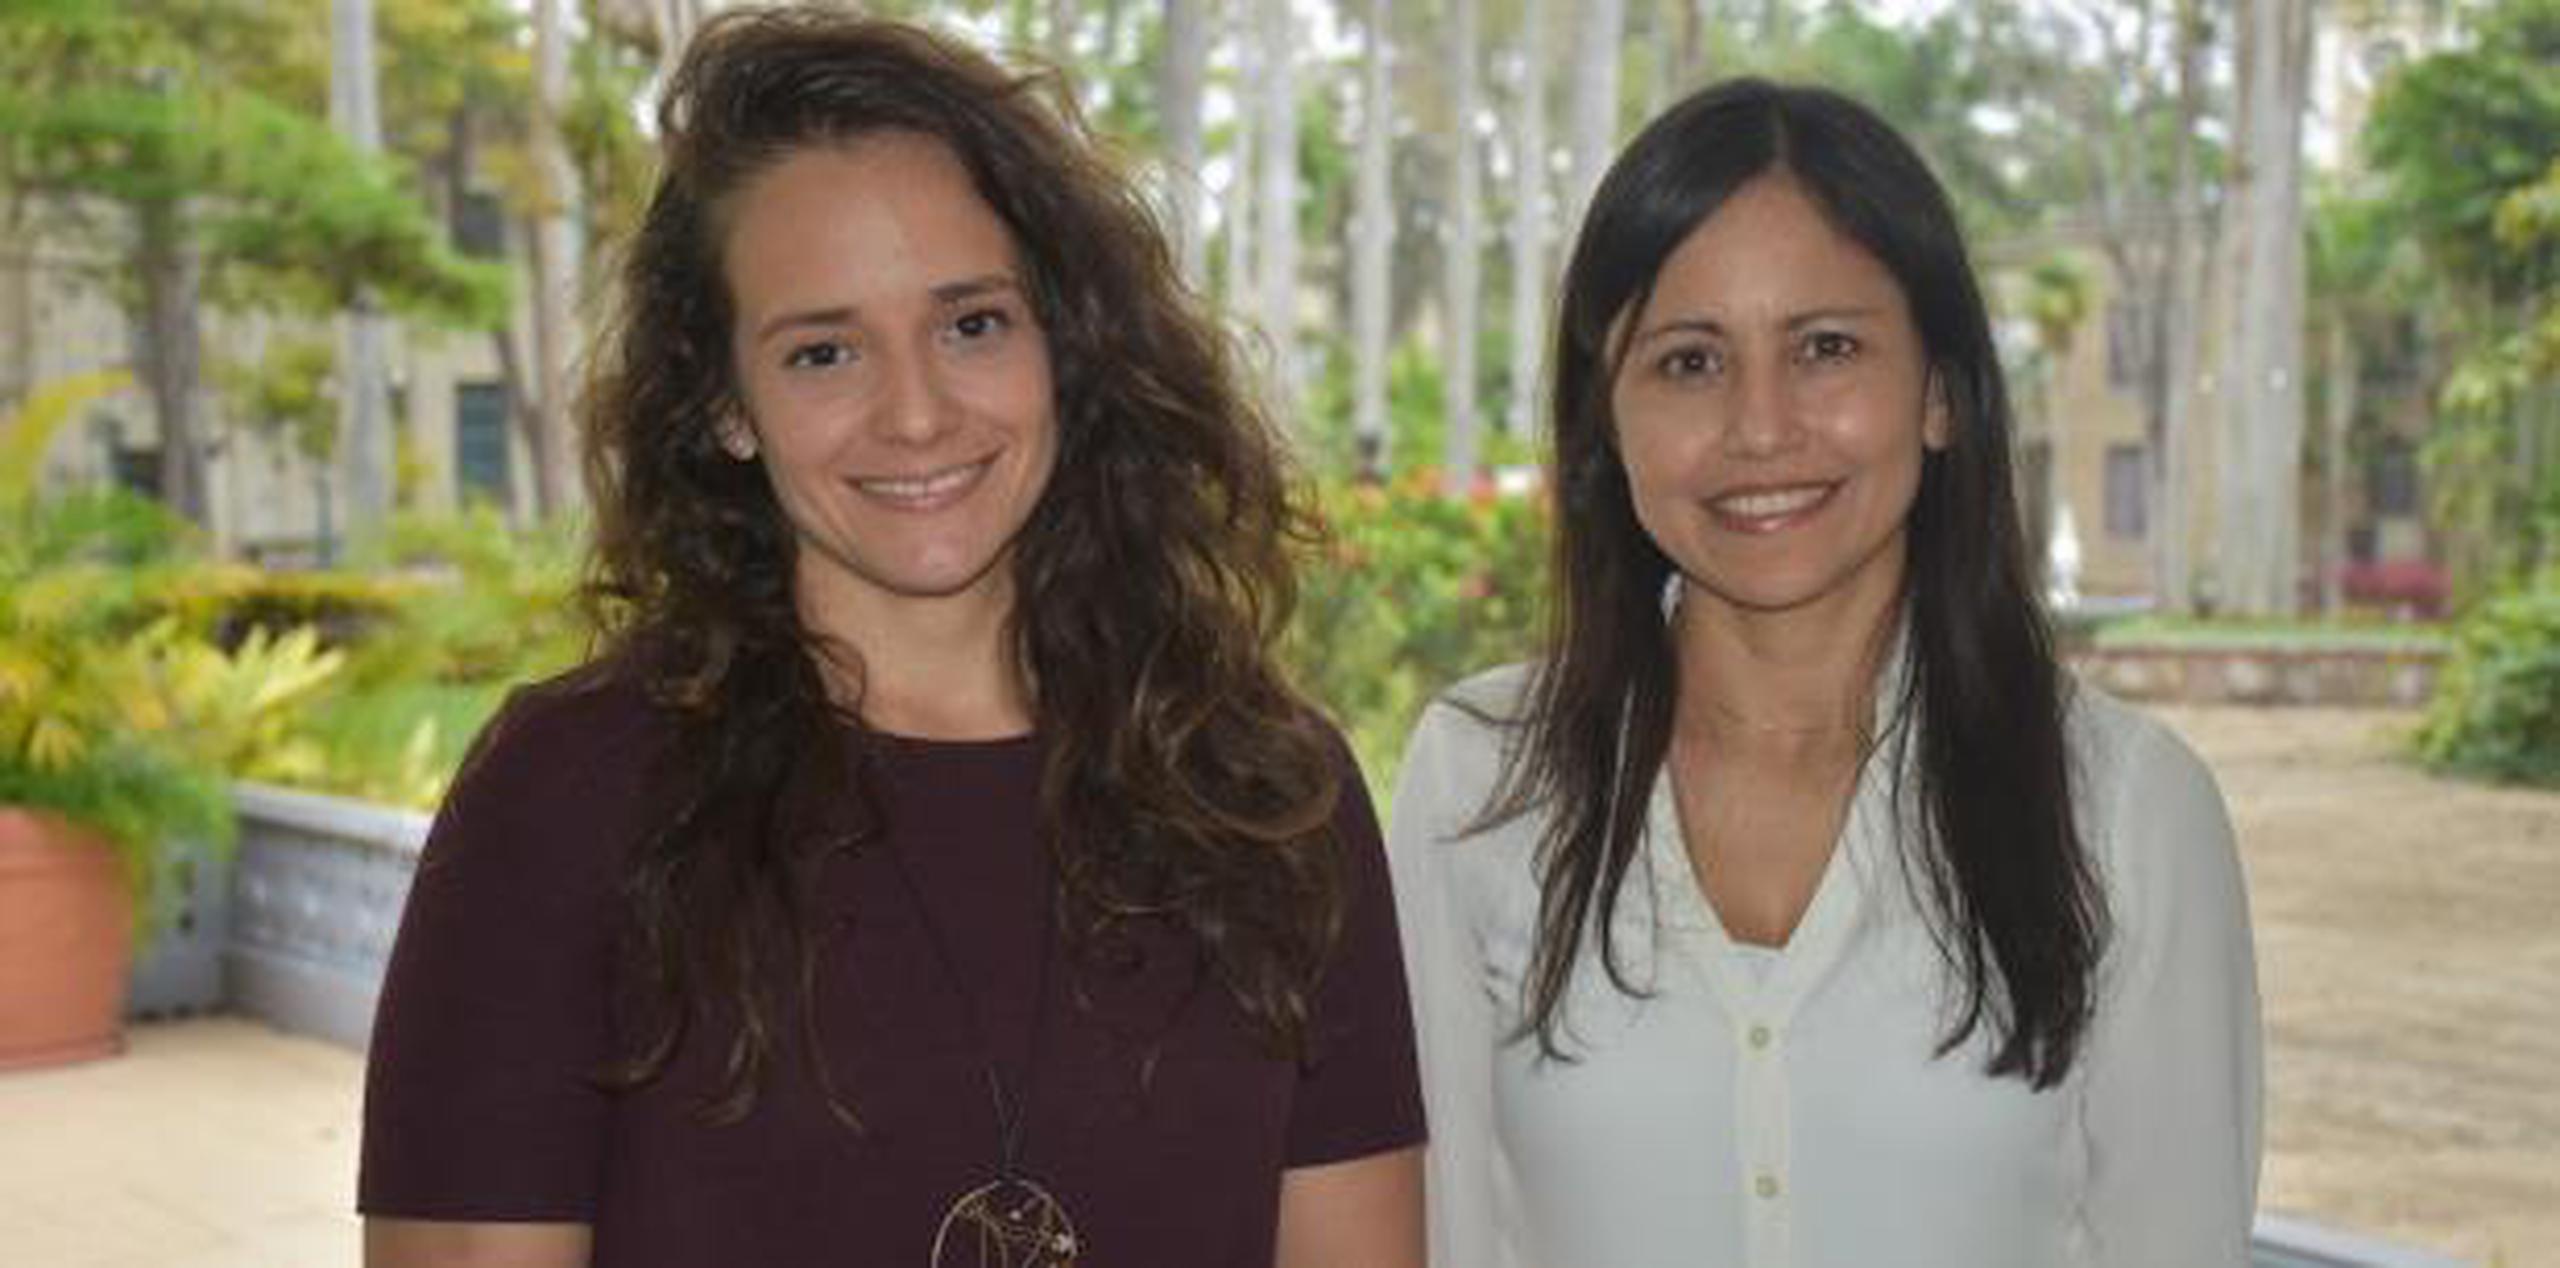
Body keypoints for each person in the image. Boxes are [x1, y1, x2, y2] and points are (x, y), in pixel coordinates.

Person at [358, 10, 1424, 1267]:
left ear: (1064, 345)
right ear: (724, 405)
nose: (915, 413)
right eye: (822, 350)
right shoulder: (566, 796)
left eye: (971, 323)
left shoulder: (1266, 794)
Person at [1388, 77, 2260, 1268]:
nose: (1761, 427)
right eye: (1689, 362)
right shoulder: (1480, 782)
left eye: (1827, 347)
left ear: (1941, 391)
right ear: (1606, 420)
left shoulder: (2124, 805)